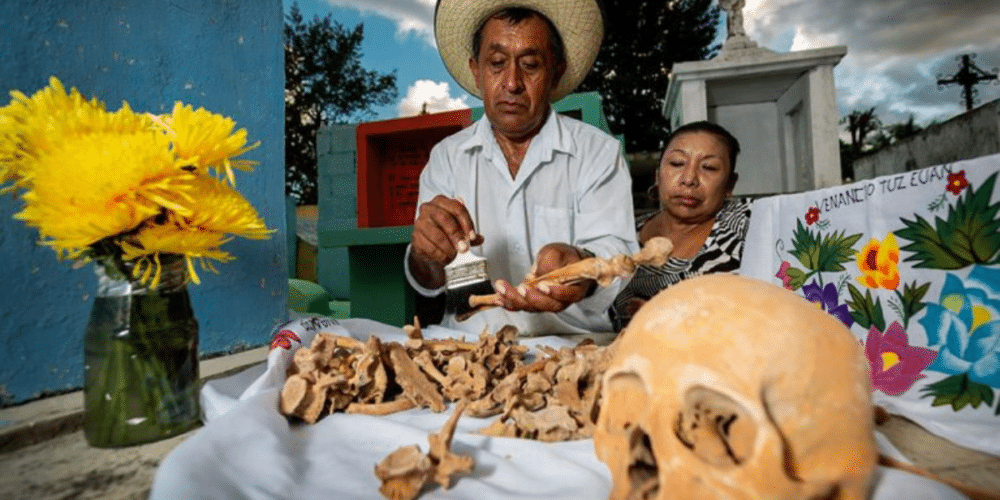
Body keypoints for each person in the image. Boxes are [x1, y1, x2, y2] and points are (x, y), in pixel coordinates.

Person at [405, 0, 638, 335]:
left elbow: (617, 255)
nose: (512, 82)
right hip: (469, 347)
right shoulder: (446, 159)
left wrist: (580, 264)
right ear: (476, 70)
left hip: (574, 347)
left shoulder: (597, 153)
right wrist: (425, 257)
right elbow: (432, 284)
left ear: (556, 72)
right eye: (497, 63)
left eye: (530, 65)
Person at [609, 121, 753, 332]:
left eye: (709, 167)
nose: (689, 179)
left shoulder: (745, 224)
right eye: (677, 163)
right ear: (658, 174)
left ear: (730, 184)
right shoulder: (623, 233)